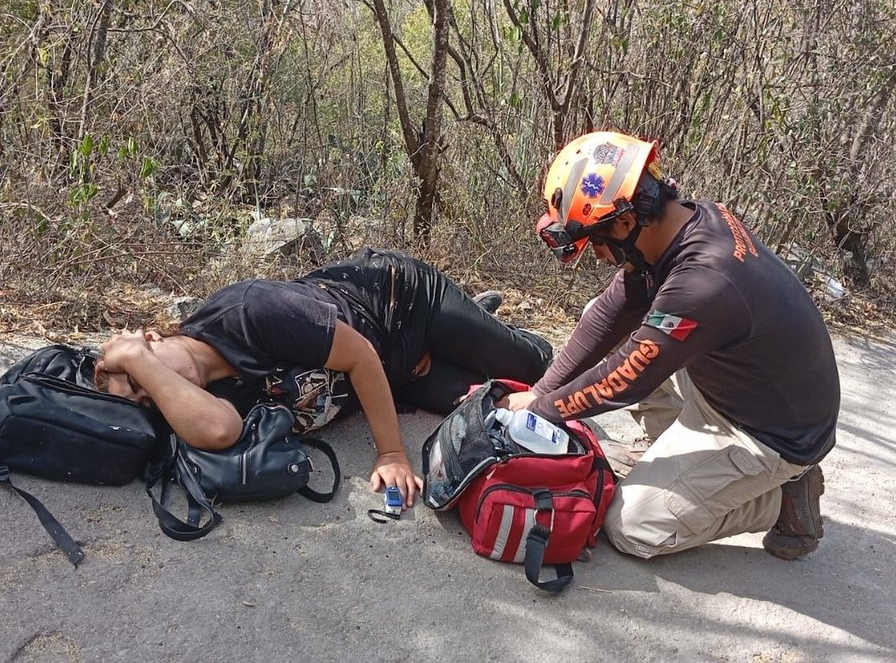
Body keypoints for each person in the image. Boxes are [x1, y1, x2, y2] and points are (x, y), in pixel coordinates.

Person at [503, 131, 840, 560]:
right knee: (622, 322)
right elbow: (610, 312)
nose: (599, 256)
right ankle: (671, 449)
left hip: (769, 435)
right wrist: (540, 390)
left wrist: (537, 414)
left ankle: (784, 499)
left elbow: (626, 379)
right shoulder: (684, 222)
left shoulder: (704, 282)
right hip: (737, 386)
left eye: (597, 244)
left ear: (624, 221)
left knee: (631, 527)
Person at [94, 248, 553, 508]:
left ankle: (479, 321)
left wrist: (391, 452)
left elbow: (360, 356)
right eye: (148, 392)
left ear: (154, 337)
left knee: (533, 368)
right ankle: (473, 322)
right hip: (396, 376)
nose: (154, 383)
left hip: (402, 307)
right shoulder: (208, 398)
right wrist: (147, 370)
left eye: (145, 367)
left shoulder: (249, 311)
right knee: (500, 401)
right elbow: (219, 430)